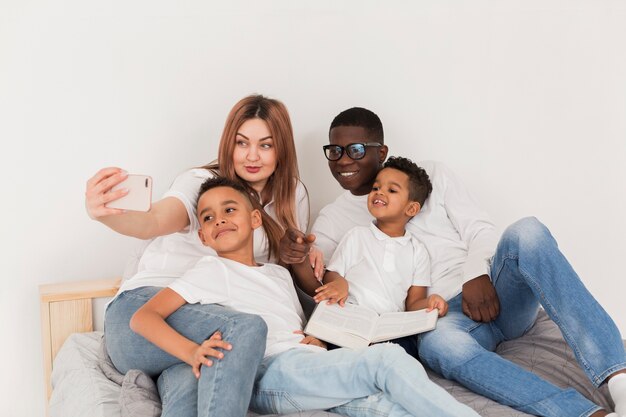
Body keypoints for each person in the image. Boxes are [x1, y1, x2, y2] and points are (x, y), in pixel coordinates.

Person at [281, 107, 626, 417]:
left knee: (528, 232)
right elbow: (320, 279)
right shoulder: (333, 218)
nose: (344, 160)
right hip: (444, 319)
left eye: (355, 150)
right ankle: (584, 415)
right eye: (335, 151)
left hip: (494, 293)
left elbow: (480, 230)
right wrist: (298, 258)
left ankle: (620, 382)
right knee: (438, 344)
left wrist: (476, 274)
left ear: (380, 151)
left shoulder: (430, 176)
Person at [131, 176, 482, 417]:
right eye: (208, 217)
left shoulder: (277, 273)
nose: (219, 220)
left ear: (255, 219)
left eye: (229, 210)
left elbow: (292, 325)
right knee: (388, 360)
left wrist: (315, 339)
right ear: (203, 237)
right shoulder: (210, 271)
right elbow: (142, 317)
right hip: (269, 373)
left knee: (383, 406)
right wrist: (191, 351)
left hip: (301, 367)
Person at [85, 95, 309, 417]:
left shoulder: (292, 194)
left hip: (194, 336)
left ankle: (165, 380)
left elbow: (270, 280)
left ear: (282, 149)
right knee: (244, 330)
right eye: (242, 143)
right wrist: (105, 213)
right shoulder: (202, 185)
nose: (252, 156)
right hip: (144, 313)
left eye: (266, 145)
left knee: (193, 379)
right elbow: (154, 221)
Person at [298, 156, 447, 356]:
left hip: (389, 328)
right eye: (376, 188)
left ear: (411, 208)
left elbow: (414, 303)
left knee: (405, 353)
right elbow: (331, 275)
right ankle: (322, 343)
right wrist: (340, 283)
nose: (379, 192)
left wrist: (430, 303)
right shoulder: (356, 236)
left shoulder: (417, 251)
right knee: (333, 336)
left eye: (392, 190)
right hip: (350, 316)